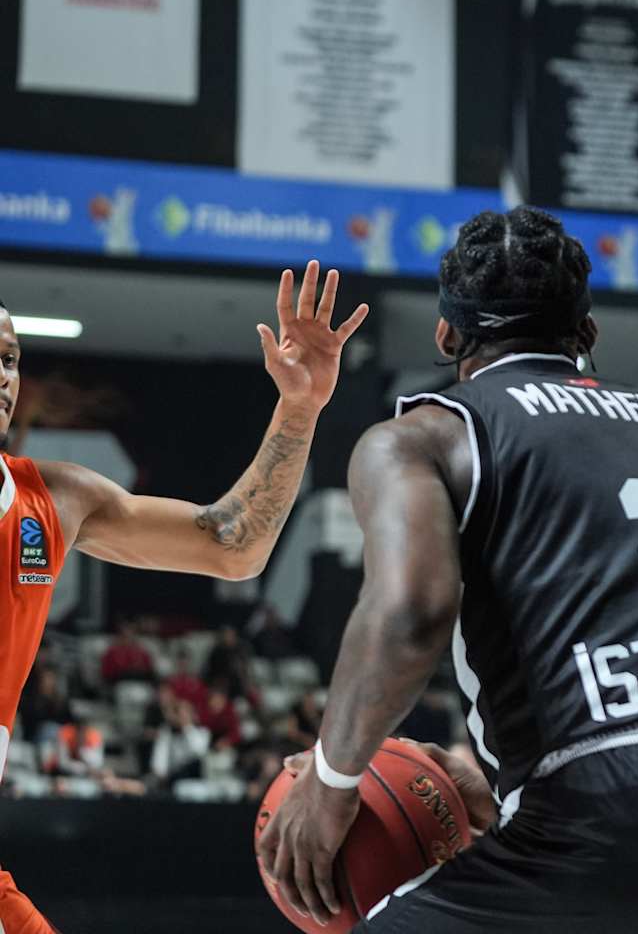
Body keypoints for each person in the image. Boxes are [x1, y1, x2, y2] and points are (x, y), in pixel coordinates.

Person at [255, 207, 638, 933]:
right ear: (588, 334)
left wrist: (330, 783)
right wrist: (505, 778)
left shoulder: (427, 437)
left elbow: (409, 615)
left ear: (447, 335)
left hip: (617, 820)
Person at [0, 263, 365, 933]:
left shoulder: (53, 499)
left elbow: (234, 545)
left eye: (10, 359)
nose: (3, 376)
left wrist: (299, 407)